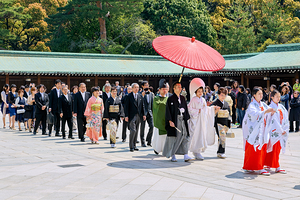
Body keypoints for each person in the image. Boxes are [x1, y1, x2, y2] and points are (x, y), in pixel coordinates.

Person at [242, 87, 275, 175]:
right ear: (254, 95)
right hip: (254, 130)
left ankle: (259, 166)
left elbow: (268, 112)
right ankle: (252, 167)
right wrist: (264, 112)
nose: (261, 95)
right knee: (253, 148)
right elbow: (253, 115)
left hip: (262, 129)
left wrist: (271, 112)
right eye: (259, 94)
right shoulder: (252, 105)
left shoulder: (263, 104)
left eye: (261, 94)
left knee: (261, 147)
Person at [163, 82, 193, 162]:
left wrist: (186, 116)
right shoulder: (170, 98)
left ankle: (186, 154)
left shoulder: (183, 98)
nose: (180, 88)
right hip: (175, 120)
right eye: (178, 87)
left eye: (180, 87)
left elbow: (185, 108)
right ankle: (173, 154)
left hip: (182, 119)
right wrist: (170, 121)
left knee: (185, 136)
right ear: (174, 88)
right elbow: (168, 111)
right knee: (175, 137)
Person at [188, 84, 219, 160]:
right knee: (196, 135)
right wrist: (197, 111)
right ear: (196, 92)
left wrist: (211, 109)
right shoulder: (193, 99)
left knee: (201, 135)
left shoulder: (203, 100)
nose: (200, 93)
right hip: (196, 120)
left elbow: (206, 109)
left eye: (201, 91)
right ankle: (195, 151)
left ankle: (198, 151)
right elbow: (190, 109)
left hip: (202, 120)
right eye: (199, 91)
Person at [265, 90, 288, 174]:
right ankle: (277, 166)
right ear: (272, 97)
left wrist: (285, 128)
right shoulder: (270, 107)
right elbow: (269, 119)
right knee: (273, 148)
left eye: (279, 96)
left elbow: (285, 118)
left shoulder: (281, 107)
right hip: (273, 130)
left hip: (281, 129)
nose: (278, 98)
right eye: (276, 96)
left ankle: (269, 164)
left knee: (276, 149)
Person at [210, 87, 231, 158]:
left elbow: (229, 114)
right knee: (223, 137)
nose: (223, 97)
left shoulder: (226, 103)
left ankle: (219, 152)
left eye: (224, 95)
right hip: (218, 122)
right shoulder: (215, 103)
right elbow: (210, 112)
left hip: (225, 122)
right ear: (218, 95)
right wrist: (215, 111)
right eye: (222, 95)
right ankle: (221, 152)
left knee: (221, 137)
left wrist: (229, 123)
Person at [124, 83, 146, 152]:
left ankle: (134, 146)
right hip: (131, 115)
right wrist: (126, 116)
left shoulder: (140, 96)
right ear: (132, 88)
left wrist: (144, 114)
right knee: (133, 130)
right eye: (135, 87)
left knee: (136, 130)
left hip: (138, 115)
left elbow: (143, 106)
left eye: (137, 87)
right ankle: (131, 146)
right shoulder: (128, 96)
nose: (136, 89)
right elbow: (126, 107)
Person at [152, 79, 169, 155]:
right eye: (163, 89)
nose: (164, 91)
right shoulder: (156, 98)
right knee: (158, 137)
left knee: (166, 137)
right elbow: (160, 105)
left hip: (166, 120)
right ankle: (157, 149)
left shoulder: (168, 98)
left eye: (166, 89)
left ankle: (165, 149)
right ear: (159, 90)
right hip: (159, 121)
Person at [140, 81, 154, 147]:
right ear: (142, 86)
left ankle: (149, 140)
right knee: (142, 128)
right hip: (143, 113)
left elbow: (152, 104)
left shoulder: (151, 94)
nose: (146, 86)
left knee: (152, 126)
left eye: (147, 85)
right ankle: (142, 142)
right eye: (145, 85)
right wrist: (142, 96)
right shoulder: (140, 94)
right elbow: (140, 104)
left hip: (150, 113)